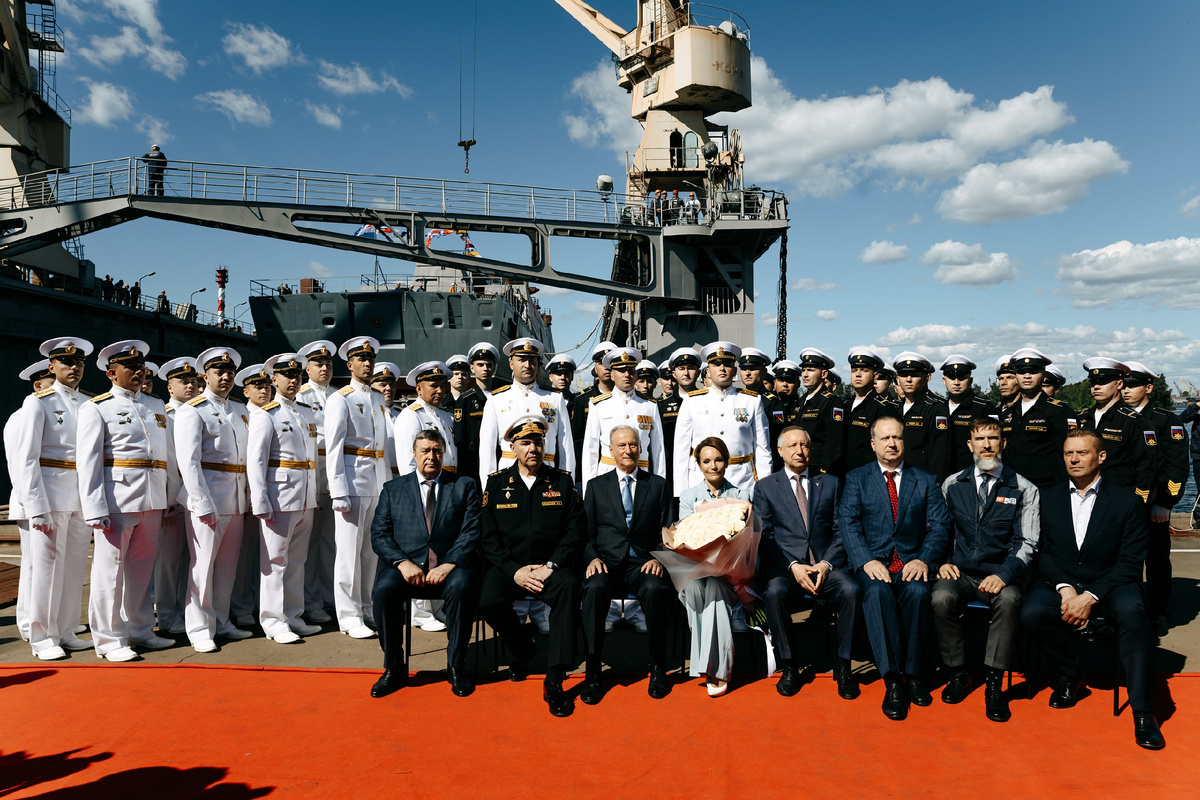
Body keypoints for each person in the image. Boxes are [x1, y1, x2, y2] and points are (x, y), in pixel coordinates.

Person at [1020, 429, 1165, 750]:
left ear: (1101, 457)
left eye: (1082, 452)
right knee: (1031, 612)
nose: (1074, 459)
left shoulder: (1127, 501)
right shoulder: (1047, 498)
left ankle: (1143, 712)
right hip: (1062, 583)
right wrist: (1066, 590)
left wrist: (1090, 596)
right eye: (1068, 453)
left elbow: (1130, 562)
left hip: (1111, 585)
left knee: (1134, 615)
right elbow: (1042, 552)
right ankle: (1072, 674)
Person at [839, 416, 950, 720]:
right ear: (873, 443)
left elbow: (939, 526)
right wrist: (866, 559)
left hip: (912, 562)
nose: (892, 443)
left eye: (897, 437)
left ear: (904, 441)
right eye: (885, 438)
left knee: (918, 593)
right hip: (873, 562)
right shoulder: (857, 479)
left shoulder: (925, 480)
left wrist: (924, 558)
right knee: (877, 593)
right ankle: (892, 681)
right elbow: (848, 524)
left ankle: (913, 675)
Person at [933, 418, 1040, 722]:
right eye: (979, 439)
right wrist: (942, 562)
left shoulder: (1024, 488)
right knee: (940, 598)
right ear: (970, 445)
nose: (986, 445)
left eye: (993, 438)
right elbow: (940, 532)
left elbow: (1028, 541)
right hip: (961, 574)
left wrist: (1004, 574)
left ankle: (994, 683)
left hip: (1001, 574)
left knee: (1009, 600)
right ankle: (958, 672)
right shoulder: (952, 484)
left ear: (1003, 443)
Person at [478, 415, 586, 717]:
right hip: (511, 568)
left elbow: (575, 531)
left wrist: (551, 565)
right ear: (512, 447)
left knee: (568, 588)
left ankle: (555, 677)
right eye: (525, 442)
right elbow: (488, 536)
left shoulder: (561, 481)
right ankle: (523, 649)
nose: (533, 448)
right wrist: (514, 570)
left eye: (538, 442)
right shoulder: (497, 484)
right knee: (488, 601)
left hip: (550, 567)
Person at [76, 340, 174, 661]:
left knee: (142, 570)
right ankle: (108, 640)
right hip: (117, 499)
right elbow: (88, 461)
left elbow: (166, 456)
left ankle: (141, 630)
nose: (138, 371)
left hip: (152, 497)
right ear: (111, 373)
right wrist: (94, 507)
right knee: (110, 572)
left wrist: (170, 495)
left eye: (140, 367)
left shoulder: (155, 405)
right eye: (130, 367)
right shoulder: (97, 407)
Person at [370, 429, 482, 699]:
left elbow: (472, 531)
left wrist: (449, 563)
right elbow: (379, 534)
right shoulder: (393, 488)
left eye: (437, 451)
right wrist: (402, 563)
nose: (431, 456)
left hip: (449, 567)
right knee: (384, 590)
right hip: (406, 567)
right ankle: (394, 669)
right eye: (425, 451)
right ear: (414, 454)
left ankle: (456, 666)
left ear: (444, 454)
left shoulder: (464, 485)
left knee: (462, 586)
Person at [754, 427, 861, 699]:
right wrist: (792, 565)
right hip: (787, 569)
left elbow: (841, 531)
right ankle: (789, 664)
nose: (799, 451)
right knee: (774, 593)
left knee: (851, 590)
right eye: (792, 446)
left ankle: (844, 665)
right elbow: (764, 537)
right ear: (780, 451)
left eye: (804, 445)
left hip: (826, 567)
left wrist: (826, 563)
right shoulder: (765, 487)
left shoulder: (831, 483)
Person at [12, 337, 96, 661]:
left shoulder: (89, 402)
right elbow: (27, 458)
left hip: (81, 496)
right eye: (66, 362)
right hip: (50, 494)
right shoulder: (38, 402)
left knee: (73, 568)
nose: (74, 367)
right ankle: (42, 637)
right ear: (52, 366)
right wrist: (35, 506)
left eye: (79, 363)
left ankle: (66, 629)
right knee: (46, 571)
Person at [580, 426, 674, 702]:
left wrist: (658, 557)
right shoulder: (596, 486)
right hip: (606, 563)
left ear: (641, 448)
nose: (628, 450)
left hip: (643, 563)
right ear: (610, 451)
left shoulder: (658, 485)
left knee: (656, 590)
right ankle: (593, 670)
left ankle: (658, 666)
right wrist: (592, 557)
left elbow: (669, 530)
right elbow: (585, 532)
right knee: (593, 589)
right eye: (621, 446)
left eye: (633, 445)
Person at [174, 347, 251, 653]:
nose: (226, 377)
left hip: (235, 499)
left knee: (227, 567)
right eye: (219, 372)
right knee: (203, 567)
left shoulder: (240, 410)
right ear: (205, 376)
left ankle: (221, 619)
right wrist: (201, 501)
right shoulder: (193, 410)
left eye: (230, 372)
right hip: (208, 498)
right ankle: (199, 628)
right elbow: (189, 462)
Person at [247, 354, 321, 645]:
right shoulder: (267, 414)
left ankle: (293, 614)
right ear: (274, 380)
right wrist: (260, 500)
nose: (294, 380)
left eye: (297, 375)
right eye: (287, 376)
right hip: (279, 496)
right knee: (275, 561)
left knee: (297, 560)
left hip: (304, 495)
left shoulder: (306, 412)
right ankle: (273, 620)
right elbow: (256, 461)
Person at [324, 336, 390, 639]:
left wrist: (386, 487)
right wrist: (338, 490)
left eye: (371, 359)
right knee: (348, 553)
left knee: (369, 552)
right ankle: (349, 616)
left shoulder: (377, 398)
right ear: (349, 365)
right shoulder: (341, 398)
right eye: (361, 359)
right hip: (352, 482)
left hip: (376, 480)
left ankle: (366, 608)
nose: (368, 364)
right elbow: (334, 447)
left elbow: (381, 447)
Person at [677, 436, 751, 696]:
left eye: (718, 460)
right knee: (700, 587)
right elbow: (684, 537)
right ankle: (715, 667)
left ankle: (714, 670)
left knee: (716, 589)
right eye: (707, 461)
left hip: (731, 576)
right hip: (694, 572)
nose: (713, 466)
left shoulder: (742, 496)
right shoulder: (688, 497)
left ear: (727, 462)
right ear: (699, 465)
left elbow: (745, 540)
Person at [1123, 361, 1190, 635]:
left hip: (1154, 504)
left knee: (1157, 561)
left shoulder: (1166, 420)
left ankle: (1158, 613)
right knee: (1122, 561)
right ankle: (1125, 614)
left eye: (1133, 385)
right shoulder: (1116, 417)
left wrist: (1166, 503)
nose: (1126, 390)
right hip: (1120, 503)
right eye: (1123, 385)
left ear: (1148, 388)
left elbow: (1176, 466)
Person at [393, 360, 458, 631]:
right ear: (419, 388)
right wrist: (416, 495)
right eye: (434, 385)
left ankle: (436, 606)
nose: (440, 390)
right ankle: (419, 611)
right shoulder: (411, 415)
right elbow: (408, 461)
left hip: (445, 486)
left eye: (443, 385)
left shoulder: (445, 416)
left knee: (440, 546)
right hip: (425, 488)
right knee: (422, 548)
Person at [673, 342, 771, 499]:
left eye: (727, 364)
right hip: (701, 481)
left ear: (735, 371)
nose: (722, 369)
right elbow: (681, 450)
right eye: (716, 364)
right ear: (708, 371)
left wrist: (765, 489)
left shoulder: (751, 401)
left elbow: (762, 448)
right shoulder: (691, 401)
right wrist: (681, 492)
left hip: (742, 481)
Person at [478, 338, 575, 482]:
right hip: (508, 476)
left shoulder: (554, 398)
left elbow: (566, 445)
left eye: (532, 360)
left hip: (548, 476)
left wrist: (567, 482)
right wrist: (489, 487)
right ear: (511, 363)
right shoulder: (496, 399)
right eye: (522, 360)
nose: (527, 365)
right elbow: (487, 448)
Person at [9, 359, 56, 643]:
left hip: (48, 499)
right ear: (38, 385)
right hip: (31, 502)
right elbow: (20, 465)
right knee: (32, 565)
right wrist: (31, 503)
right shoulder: (21, 417)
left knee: (48, 566)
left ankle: (51, 620)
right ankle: (27, 621)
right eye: (52, 384)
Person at [155, 357, 200, 635]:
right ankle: (167, 614)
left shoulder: (202, 412)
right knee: (168, 561)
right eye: (184, 381)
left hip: (198, 495)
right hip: (173, 496)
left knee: (193, 559)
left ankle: (189, 610)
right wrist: (169, 500)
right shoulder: (163, 416)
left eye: (194, 381)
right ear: (170, 387)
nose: (190, 386)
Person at [580, 347, 665, 496]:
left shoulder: (649, 405)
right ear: (612, 375)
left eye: (631, 370)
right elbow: (590, 450)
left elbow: (658, 450)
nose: (627, 375)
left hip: (642, 476)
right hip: (607, 475)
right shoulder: (598, 405)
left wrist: (660, 484)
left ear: (636, 374)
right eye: (621, 370)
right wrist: (589, 490)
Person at [297, 340, 338, 625]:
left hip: (335, 471)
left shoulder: (338, 395)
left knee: (331, 541)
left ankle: (329, 596)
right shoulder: (301, 395)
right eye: (318, 364)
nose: (324, 368)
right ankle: (310, 600)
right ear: (307, 369)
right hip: (312, 469)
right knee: (309, 543)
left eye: (328, 364)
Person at [1078, 358, 1156, 502]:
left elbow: (1146, 467)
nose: (1096, 387)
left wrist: (1137, 501)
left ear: (1119, 384)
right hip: (1083, 496)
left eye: (1103, 382)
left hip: (1119, 498)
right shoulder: (1081, 418)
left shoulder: (1134, 421)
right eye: (1093, 382)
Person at [230, 364, 272, 626]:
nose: (264, 391)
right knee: (242, 556)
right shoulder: (240, 414)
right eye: (258, 387)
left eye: (267, 386)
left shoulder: (272, 414)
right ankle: (241, 606)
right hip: (243, 493)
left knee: (261, 555)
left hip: (270, 494)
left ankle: (256, 602)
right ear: (246, 391)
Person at [1002, 348, 1072, 488]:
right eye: (1022, 372)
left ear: (1044, 376)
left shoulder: (1059, 412)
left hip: (1045, 489)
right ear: (1016, 376)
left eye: (1033, 371)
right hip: (1010, 488)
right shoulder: (1007, 413)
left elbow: (1066, 456)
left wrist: (1060, 491)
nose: (1027, 376)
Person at [888, 352, 951, 480]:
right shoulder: (893, 409)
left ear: (925, 378)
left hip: (922, 481)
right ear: (898, 379)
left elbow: (939, 455)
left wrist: (933, 485)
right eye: (904, 375)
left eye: (914, 375)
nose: (908, 379)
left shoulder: (935, 409)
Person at [939, 355, 1000, 473]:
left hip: (972, 474)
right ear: (944, 381)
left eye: (962, 378)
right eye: (952, 378)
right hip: (943, 473)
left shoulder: (984, 408)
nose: (956, 383)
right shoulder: (939, 408)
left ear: (970, 381)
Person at [454, 341, 501, 484]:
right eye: (480, 365)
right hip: (474, 462)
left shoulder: (503, 396)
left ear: (494, 368)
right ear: (472, 368)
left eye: (489, 365)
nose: (485, 368)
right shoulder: (465, 400)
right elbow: (460, 440)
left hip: (501, 457)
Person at [793, 348, 845, 475]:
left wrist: (825, 473)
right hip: (800, 468)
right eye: (803, 370)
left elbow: (835, 444)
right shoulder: (800, 402)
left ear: (824, 374)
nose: (805, 375)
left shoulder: (831, 402)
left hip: (819, 472)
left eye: (810, 370)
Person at [842, 347, 893, 474]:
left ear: (875, 376)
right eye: (854, 370)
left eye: (864, 370)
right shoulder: (845, 405)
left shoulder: (882, 408)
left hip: (868, 475)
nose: (858, 374)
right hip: (843, 474)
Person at [571, 341, 618, 473]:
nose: (607, 368)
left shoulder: (628, 398)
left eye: (610, 363)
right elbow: (578, 440)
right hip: (594, 468)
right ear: (595, 368)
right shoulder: (582, 399)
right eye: (602, 363)